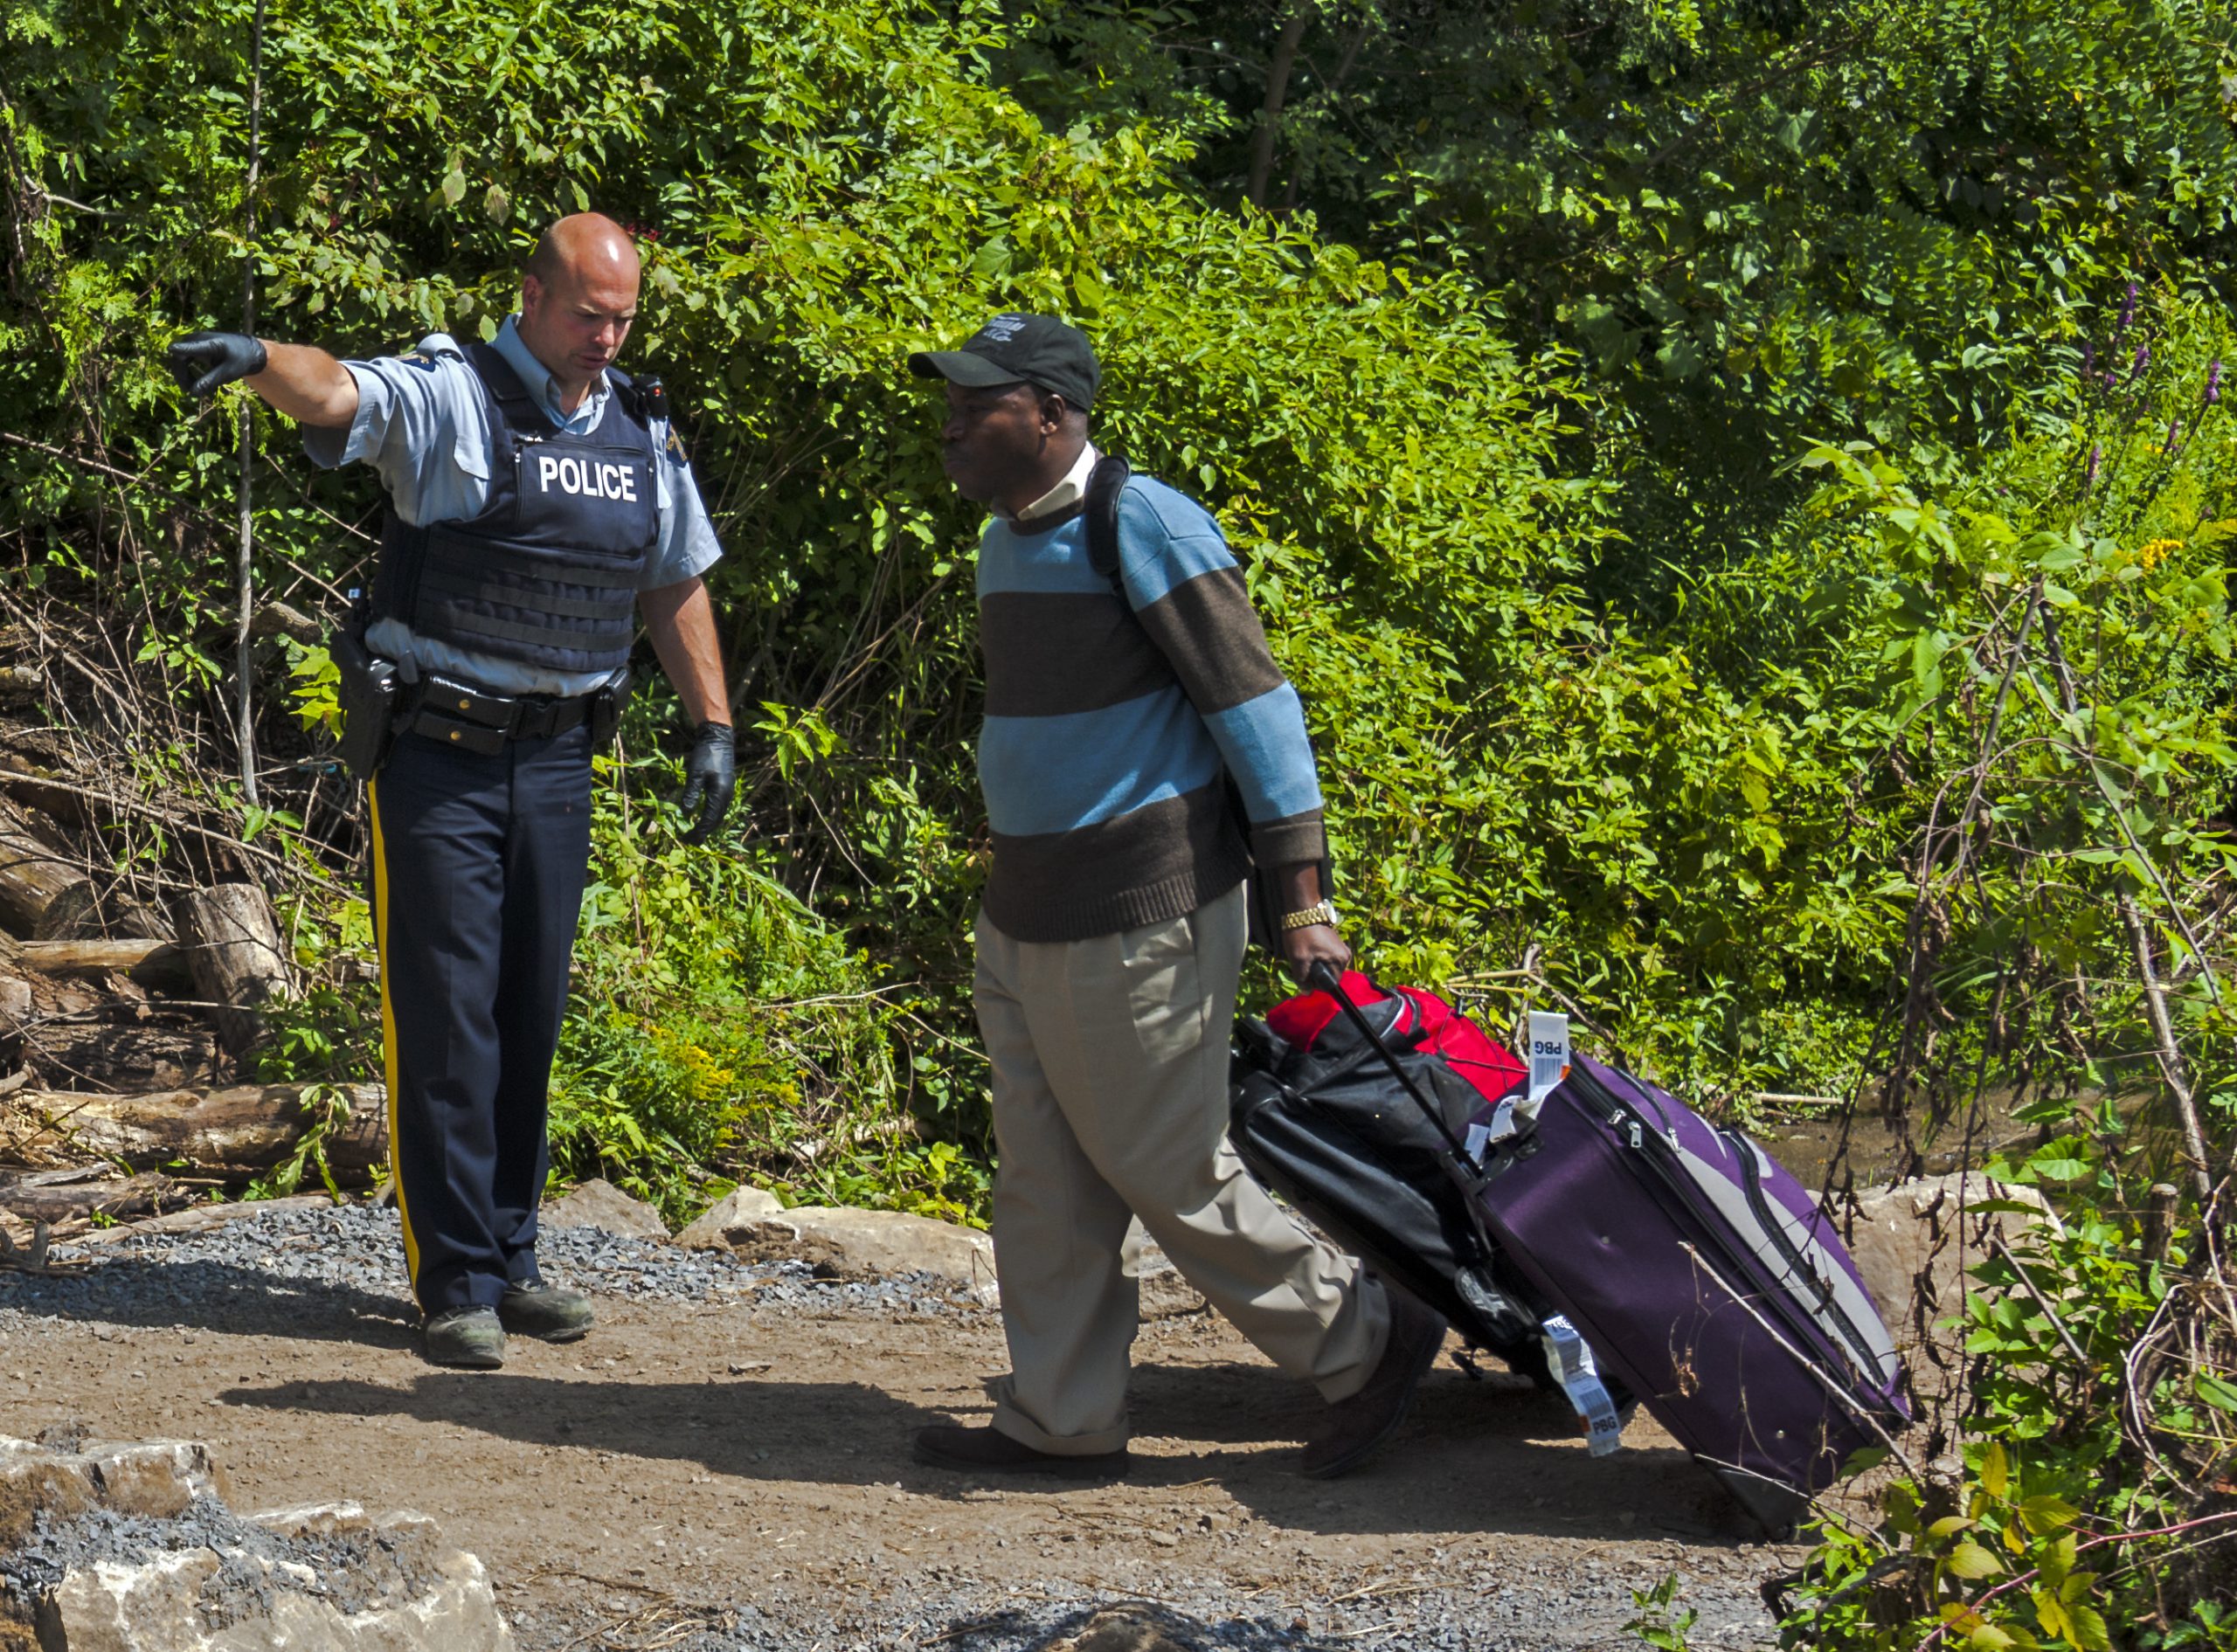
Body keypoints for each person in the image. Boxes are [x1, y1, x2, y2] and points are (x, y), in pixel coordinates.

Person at [166, 214, 737, 1369]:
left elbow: (673, 576)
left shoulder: (639, 427)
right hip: (441, 756)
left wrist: (714, 725)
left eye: (622, 319)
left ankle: (514, 1259)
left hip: (561, 759)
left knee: (528, 1010)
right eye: (587, 315)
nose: (605, 338)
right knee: (447, 1015)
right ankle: (455, 1280)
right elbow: (341, 395)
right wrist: (255, 360)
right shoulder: (457, 395)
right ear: (531, 295)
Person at [905, 314, 1446, 1480]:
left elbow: (1257, 713)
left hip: (1139, 906)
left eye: (977, 402)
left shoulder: (1141, 523)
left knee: (1166, 1163)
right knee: (1043, 1182)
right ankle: (1064, 1418)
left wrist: (1302, 901)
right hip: (1026, 911)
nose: (950, 422)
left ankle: (1364, 1341)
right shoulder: (1008, 541)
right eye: (948, 401)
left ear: (1049, 413)